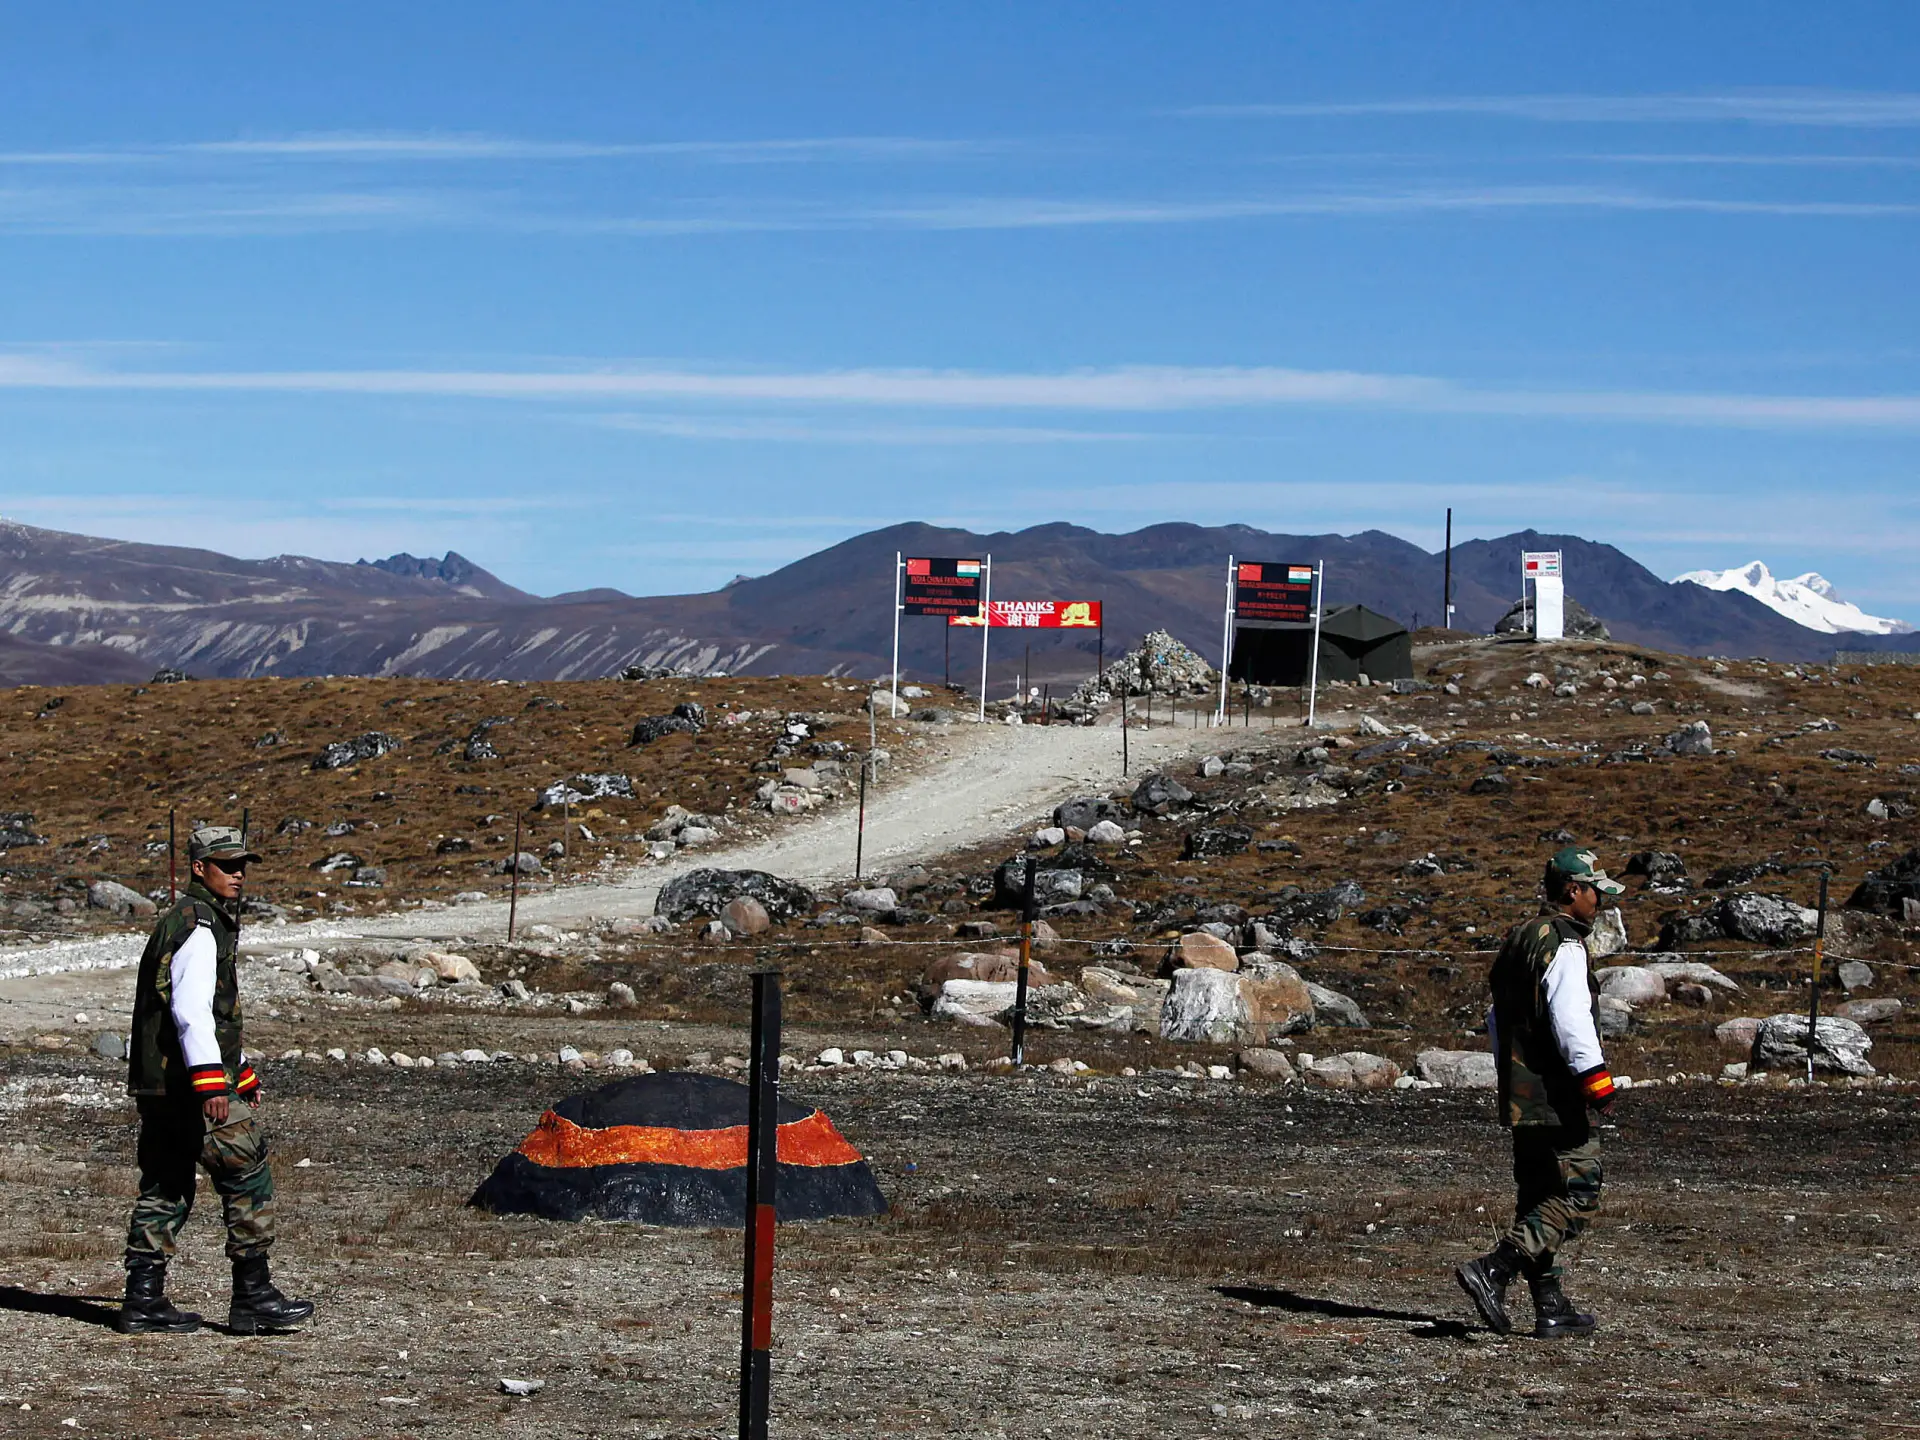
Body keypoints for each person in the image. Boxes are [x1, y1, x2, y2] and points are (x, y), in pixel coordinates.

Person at [118, 825, 314, 1335]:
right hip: (190, 1086)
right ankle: (254, 1294)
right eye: (227, 865)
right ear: (199, 869)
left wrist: (239, 1070)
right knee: (247, 1170)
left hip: (160, 1085)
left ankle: (143, 1298)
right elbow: (192, 1011)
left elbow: (207, 1015)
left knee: (166, 1183)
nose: (238, 875)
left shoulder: (183, 921)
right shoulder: (200, 925)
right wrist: (213, 1084)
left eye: (242, 865)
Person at [1455, 846, 1621, 1339]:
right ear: (1573, 891)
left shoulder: (1519, 940)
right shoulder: (1564, 944)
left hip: (1520, 1090)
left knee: (1538, 1193)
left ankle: (1550, 1304)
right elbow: (1570, 1017)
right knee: (1578, 1190)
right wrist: (1596, 1079)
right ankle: (1495, 1269)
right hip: (1556, 1090)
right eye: (1595, 892)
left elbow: (1494, 1019)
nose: (1600, 903)